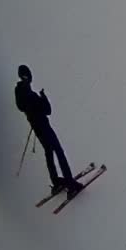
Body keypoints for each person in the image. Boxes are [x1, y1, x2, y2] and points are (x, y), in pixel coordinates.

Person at [15, 65, 83, 198]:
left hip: (38, 128)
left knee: (49, 152)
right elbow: (46, 110)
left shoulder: (23, 92)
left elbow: (24, 107)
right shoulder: (27, 93)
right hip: (44, 126)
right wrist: (42, 98)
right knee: (58, 151)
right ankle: (70, 184)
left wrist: (41, 98)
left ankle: (56, 181)